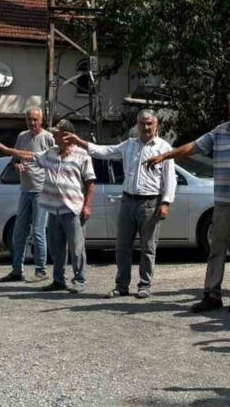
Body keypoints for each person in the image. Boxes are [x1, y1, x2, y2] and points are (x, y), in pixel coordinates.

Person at [145, 90, 230, 313]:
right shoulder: (219, 131)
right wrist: (164, 156)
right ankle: (212, 295)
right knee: (217, 248)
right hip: (223, 201)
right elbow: (193, 147)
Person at [62, 110, 176, 299]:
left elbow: (170, 179)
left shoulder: (163, 148)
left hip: (150, 203)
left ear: (156, 125)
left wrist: (165, 202)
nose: (146, 127)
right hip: (127, 201)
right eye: (142, 124)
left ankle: (144, 285)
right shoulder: (129, 144)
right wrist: (78, 141)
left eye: (149, 124)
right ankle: (121, 285)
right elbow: (104, 151)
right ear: (137, 125)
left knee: (148, 248)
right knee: (122, 246)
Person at [0, 121, 96, 294]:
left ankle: (79, 280)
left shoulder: (82, 155)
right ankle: (58, 280)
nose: (53, 136)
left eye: (56, 133)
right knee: (57, 248)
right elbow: (30, 155)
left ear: (66, 135)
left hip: (73, 209)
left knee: (76, 248)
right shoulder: (50, 153)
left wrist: (87, 206)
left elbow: (90, 182)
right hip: (54, 209)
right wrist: (9, 152)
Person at [0, 107, 55, 282]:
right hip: (25, 190)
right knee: (19, 231)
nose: (32, 123)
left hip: (41, 190)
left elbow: (55, 162)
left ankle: (41, 270)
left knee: (38, 231)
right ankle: (17, 270)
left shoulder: (48, 138)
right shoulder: (22, 137)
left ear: (42, 120)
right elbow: (15, 159)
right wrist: (17, 165)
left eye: (35, 120)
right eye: (29, 119)